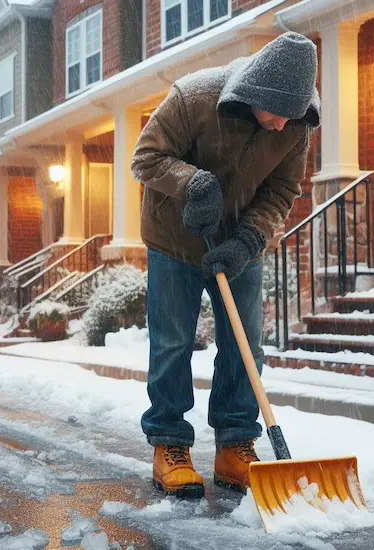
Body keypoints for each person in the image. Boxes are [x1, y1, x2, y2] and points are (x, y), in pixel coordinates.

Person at [131, 31, 320, 498]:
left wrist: (249, 240)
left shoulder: (295, 125)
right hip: (174, 240)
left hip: (237, 242)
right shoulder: (194, 97)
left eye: (290, 118)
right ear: (255, 93)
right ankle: (169, 444)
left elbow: (280, 193)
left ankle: (235, 445)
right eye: (276, 113)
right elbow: (145, 158)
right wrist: (192, 182)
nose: (281, 127)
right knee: (173, 343)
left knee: (245, 345)